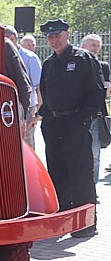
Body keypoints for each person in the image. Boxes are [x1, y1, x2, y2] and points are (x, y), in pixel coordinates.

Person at [37, 19, 105, 237]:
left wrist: (83, 119)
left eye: (57, 35)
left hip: (76, 122)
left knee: (81, 174)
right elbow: (45, 95)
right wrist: (46, 118)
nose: (54, 40)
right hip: (54, 124)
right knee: (57, 173)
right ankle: (63, 219)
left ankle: (85, 224)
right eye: (50, 37)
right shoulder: (48, 63)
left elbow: (96, 91)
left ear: (67, 34)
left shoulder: (83, 58)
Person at [80, 34, 110, 182]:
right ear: (83, 46)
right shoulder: (76, 65)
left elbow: (106, 90)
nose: (96, 48)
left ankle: (93, 186)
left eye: (98, 45)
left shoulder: (103, 67)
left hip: (96, 115)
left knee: (95, 154)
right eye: (93, 44)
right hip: (77, 115)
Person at [6, 26, 42, 149]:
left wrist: (37, 114)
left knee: (27, 145)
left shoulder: (30, 58)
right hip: (10, 107)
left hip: (28, 107)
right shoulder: (3, 55)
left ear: (11, 38)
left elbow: (39, 86)